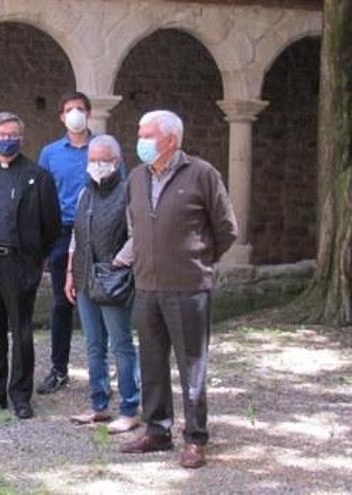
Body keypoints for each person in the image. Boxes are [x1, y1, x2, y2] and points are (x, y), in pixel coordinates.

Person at [119, 110, 238, 469]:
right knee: (152, 361)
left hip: (188, 288)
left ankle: (195, 438)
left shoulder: (202, 174)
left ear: (170, 138)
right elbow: (134, 225)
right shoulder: (137, 177)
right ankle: (157, 430)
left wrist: (197, 261)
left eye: (147, 134)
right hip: (147, 287)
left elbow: (226, 228)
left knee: (192, 365)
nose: (140, 140)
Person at [0, 112, 61, 420]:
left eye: (11, 135)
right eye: (0, 135)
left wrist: (34, 260)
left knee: (20, 332)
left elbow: (52, 226)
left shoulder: (38, 176)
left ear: (20, 137)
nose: (5, 140)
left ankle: (21, 394)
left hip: (19, 265)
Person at [63, 135, 140, 434]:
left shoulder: (127, 193)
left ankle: (130, 407)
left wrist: (120, 261)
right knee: (94, 345)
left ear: (116, 162)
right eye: (92, 159)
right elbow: (76, 234)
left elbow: (139, 234)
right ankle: (99, 405)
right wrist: (71, 272)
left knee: (121, 345)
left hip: (113, 280)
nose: (96, 165)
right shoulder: (86, 193)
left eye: (103, 159)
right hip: (84, 278)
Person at [35, 91, 93, 395]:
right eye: (69, 109)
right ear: (61, 117)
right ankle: (59, 370)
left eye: (80, 109)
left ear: (89, 114)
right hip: (61, 231)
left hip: (94, 231)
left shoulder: (102, 148)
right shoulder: (50, 153)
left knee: (98, 300)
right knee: (61, 303)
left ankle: (100, 372)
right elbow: (42, 196)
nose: (75, 114)